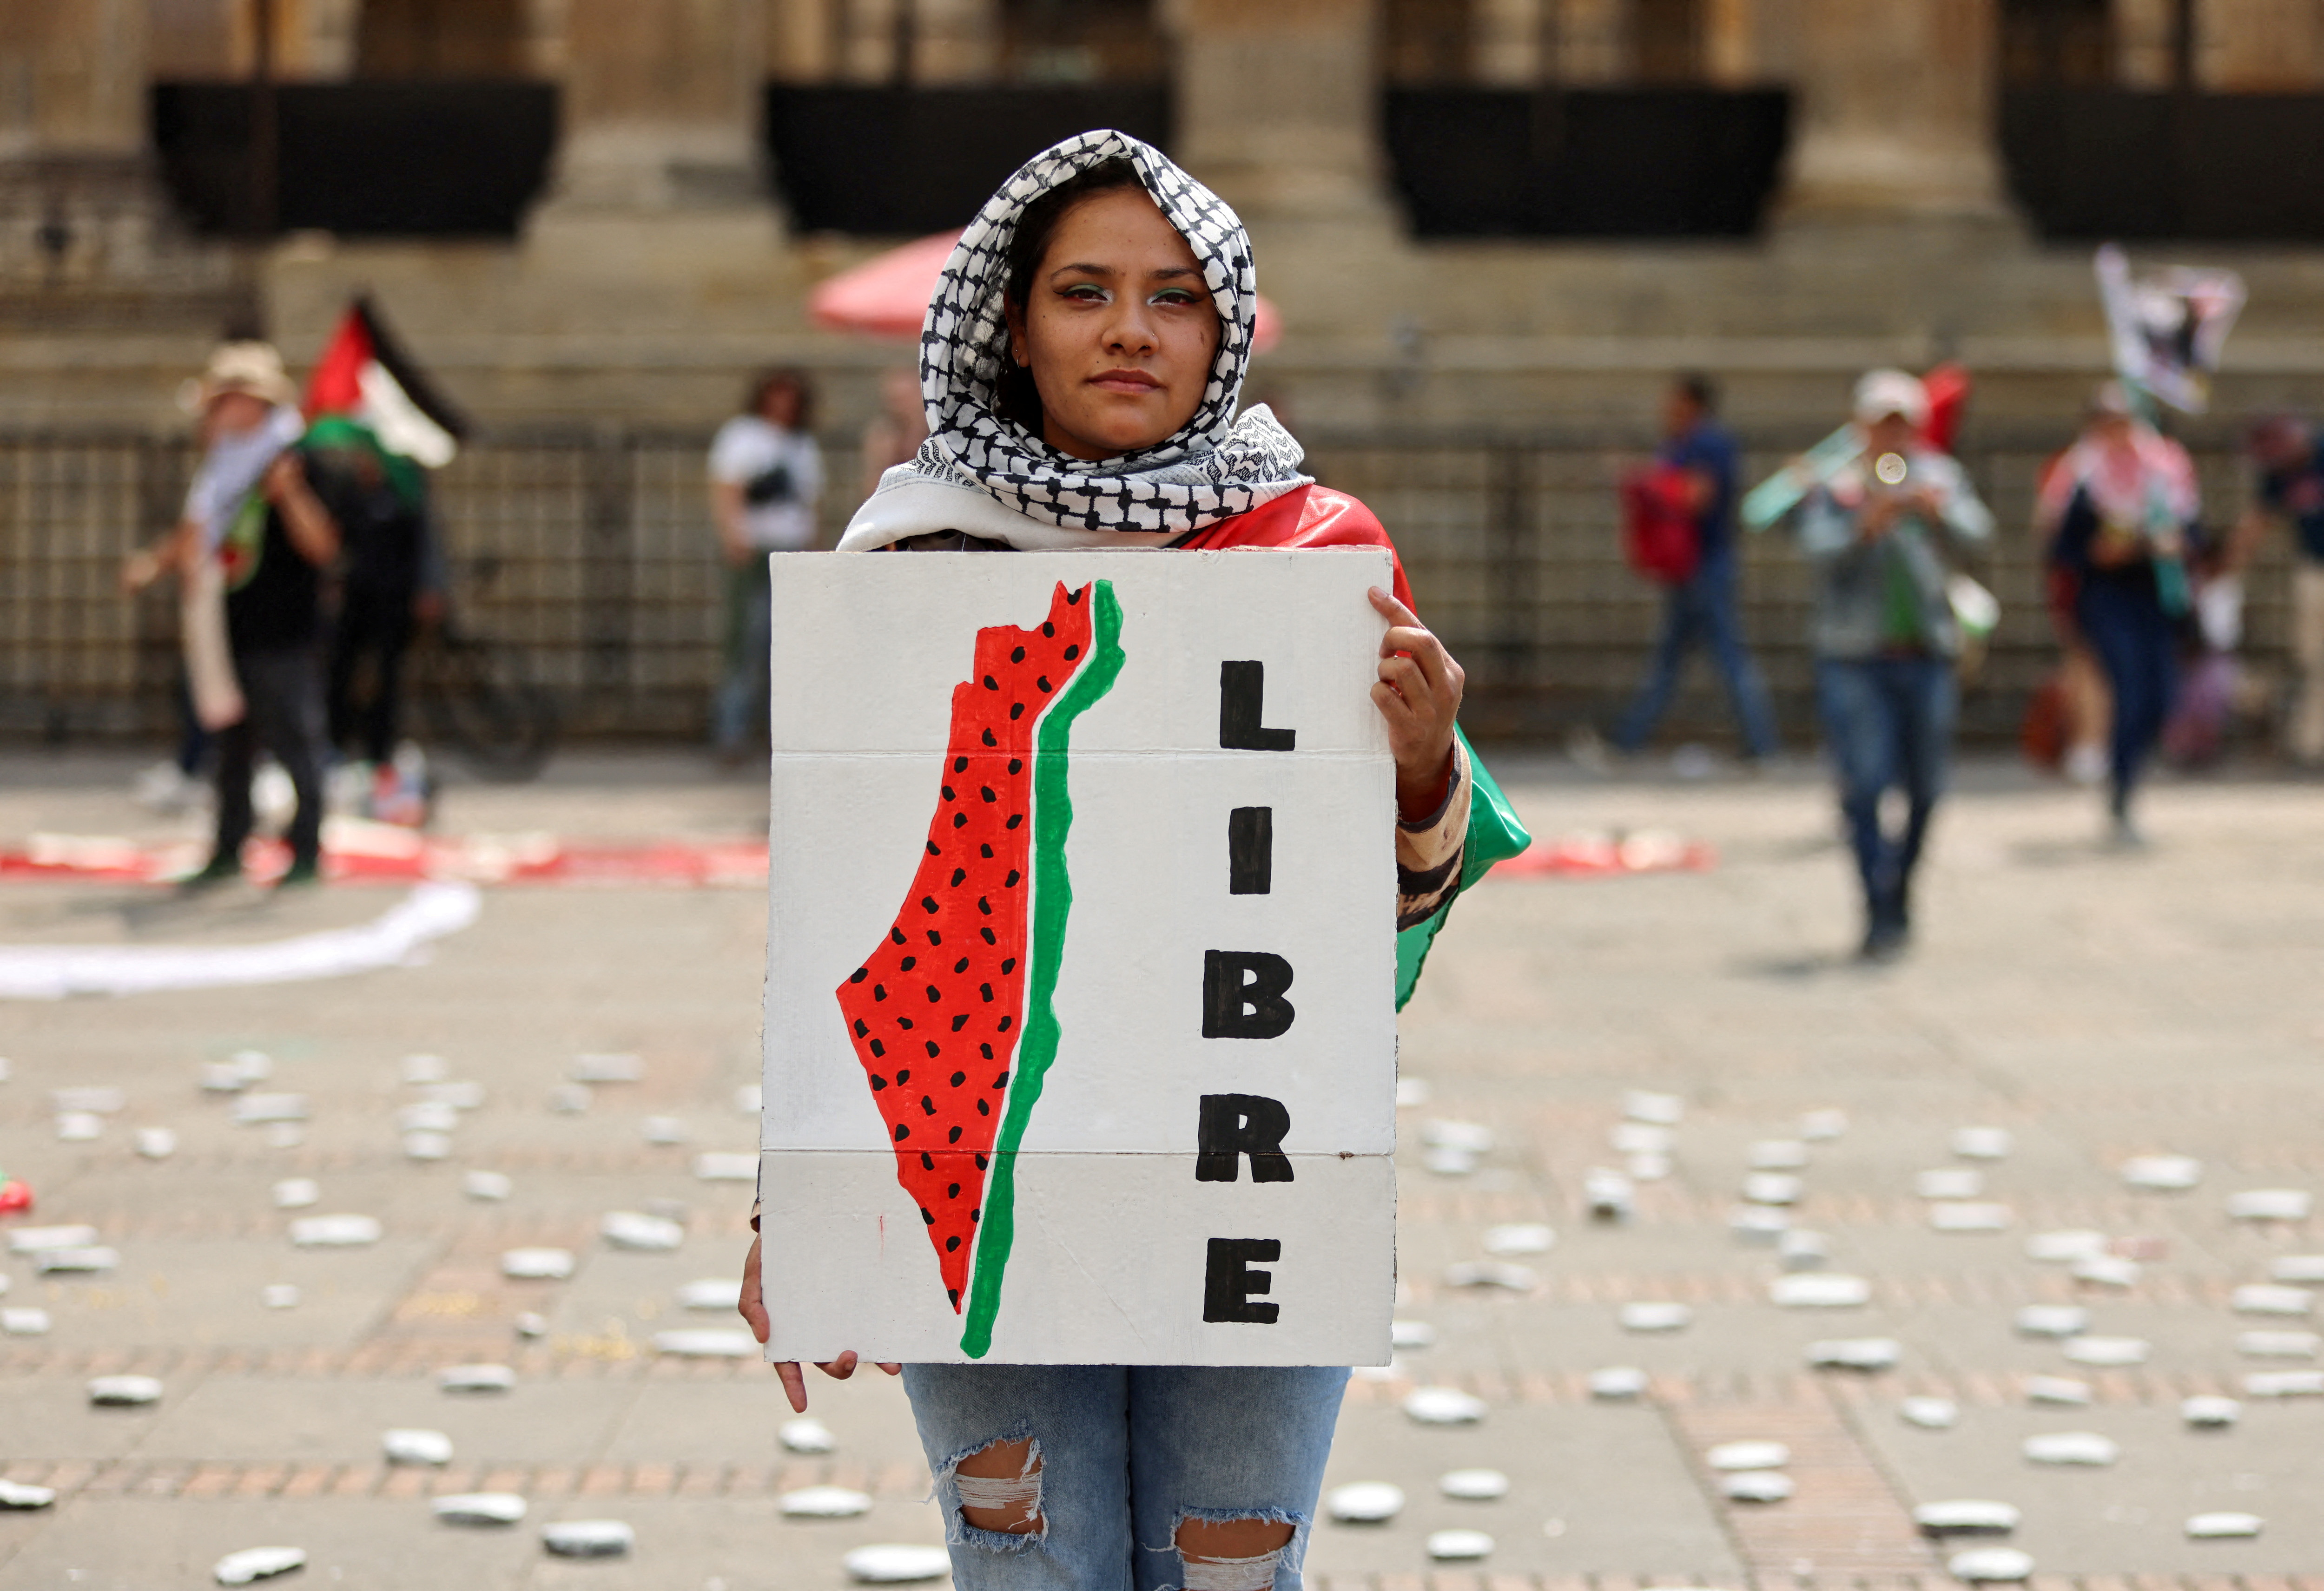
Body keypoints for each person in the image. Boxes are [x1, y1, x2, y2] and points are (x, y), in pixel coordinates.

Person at [737, 131, 1484, 1591]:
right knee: (1027, 1568)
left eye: (1173, 297)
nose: (1130, 329)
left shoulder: (1315, 555)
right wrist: (805, 1206)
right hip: (979, 1164)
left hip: (1248, 1171)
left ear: (1224, 330)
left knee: (1229, 1572)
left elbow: (1379, 928)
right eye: (1083, 291)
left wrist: (1419, 768)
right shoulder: (911, 564)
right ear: (1013, 327)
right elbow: (847, 916)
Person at [124, 342, 340, 889]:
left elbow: (322, 546)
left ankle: (307, 849)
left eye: (228, 399)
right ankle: (229, 847)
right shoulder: (222, 464)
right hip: (228, 625)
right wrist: (153, 565)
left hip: (283, 627)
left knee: (295, 739)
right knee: (231, 744)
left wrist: (289, 495)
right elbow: (198, 532)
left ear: (255, 403)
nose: (219, 411)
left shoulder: (297, 458)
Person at [1792, 370, 1992, 960]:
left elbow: (1979, 534)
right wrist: (1864, 525)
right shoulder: (1836, 483)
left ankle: (1900, 886)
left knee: (1926, 787)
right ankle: (1874, 901)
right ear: (1861, 427)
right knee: (1864, 781)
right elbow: (1812, 548)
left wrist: (1935, 513)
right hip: (1854, 655)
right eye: (1881, 424)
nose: (1891, 436)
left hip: (1925, 650)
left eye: (1901, 425)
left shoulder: (1938, 476)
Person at [2037, 382, 2200, 841]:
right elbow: (2063, 546)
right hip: (2107, 596)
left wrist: (2171, 543)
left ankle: (2128, 771)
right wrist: (2101, 552)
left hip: (2157, 595)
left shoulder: (2165, 466)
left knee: (2160, 696)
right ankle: (2121, 789)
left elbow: (2194, 533)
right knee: (2127, 689)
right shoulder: (2082, 473)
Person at [1604, 374, 1779, 762]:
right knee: (1673, 661)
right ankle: (1628, 740)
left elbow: (1696, 497)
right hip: (1690, 568)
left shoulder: (1707, 443)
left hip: (1706, 565)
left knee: (1725, 659)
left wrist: (1650, 485)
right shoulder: (1683, 444)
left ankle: (1761, 745)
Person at [312, 416, 444, 782]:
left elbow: (425, 543)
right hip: (356, 596)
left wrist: (429, 588)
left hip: (394, 598)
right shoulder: (348, 491)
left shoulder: (405, 490)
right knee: (342, 670)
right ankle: (336, 745)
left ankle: (380, 751)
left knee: (388, 674)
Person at [708, 368, 823, 762]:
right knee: (744, 642)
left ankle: (781, 736)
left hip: (791, 549)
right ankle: (731, 731)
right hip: (755, 551)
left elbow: (810, 503)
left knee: (787, 647)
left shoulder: (802, 443)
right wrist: (734, 535)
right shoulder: (743, 436)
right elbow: (728, 490)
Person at [2243, 414, 2324, 766]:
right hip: (2314, 568)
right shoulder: (2282, 471)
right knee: (2313, 658)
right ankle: (2311, 744)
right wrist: (2226, 568)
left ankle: (2311, 742)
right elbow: (2258, 521)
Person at [859, 365, 931, 502]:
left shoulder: (941, 435)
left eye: (906, 399)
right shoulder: (883, 435)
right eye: (894, 400)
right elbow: (870, 492)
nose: (899, 407)